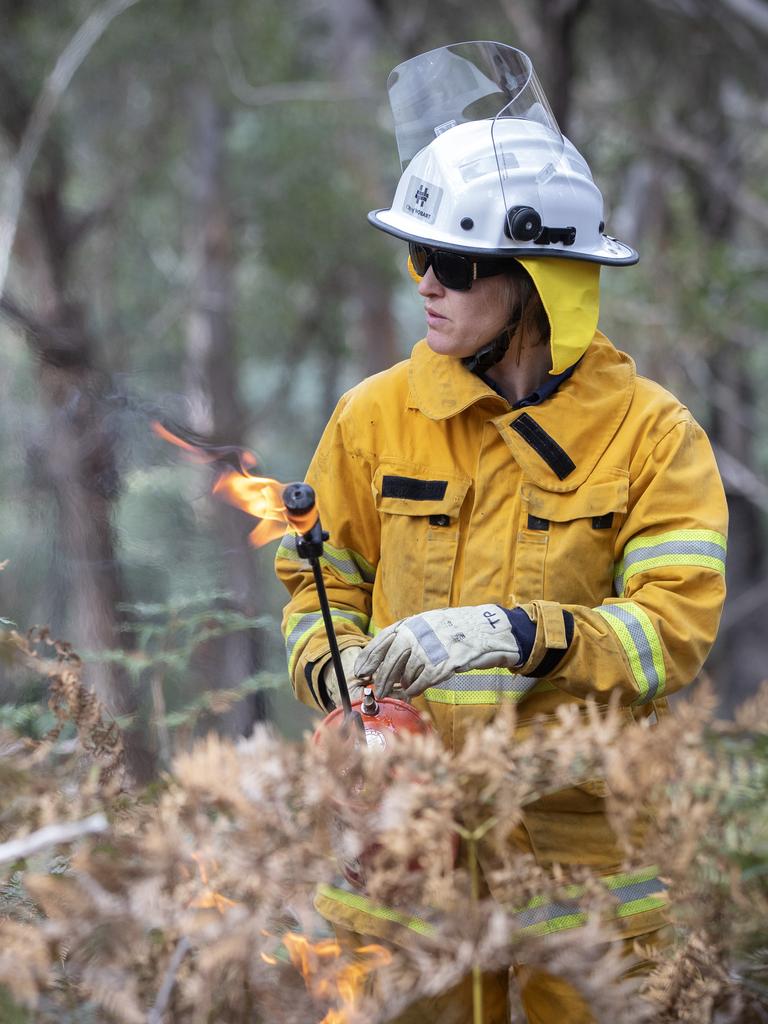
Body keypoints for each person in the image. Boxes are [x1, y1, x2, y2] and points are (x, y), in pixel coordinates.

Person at [276, 41, 728, 1023]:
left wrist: (523, 635)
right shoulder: (371, 418)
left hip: (580, 862)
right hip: (399, 847)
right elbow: (320, 582)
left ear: (538, 280)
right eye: (415, 254)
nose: (424, 283)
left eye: (453, 260)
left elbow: (673, 633)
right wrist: (336, 671)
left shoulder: (652, 435)